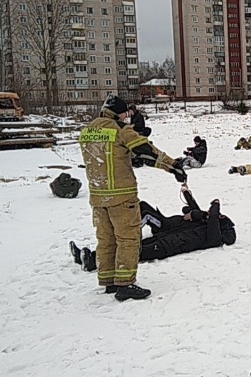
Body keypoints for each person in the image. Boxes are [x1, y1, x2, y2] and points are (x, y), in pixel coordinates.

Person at [79, 94, 187, 302]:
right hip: (121, 196)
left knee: (106, 240)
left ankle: (109, 280)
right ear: (119, 113)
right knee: (128, 239)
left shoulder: (87, 130)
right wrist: (174, 167)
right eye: (125, 113)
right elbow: (147, 153)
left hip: (98, 197)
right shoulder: (120, 130)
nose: (126, 117)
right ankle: (126, 284)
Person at [70, 185, 236, 271]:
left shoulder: (214, 238)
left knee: (132, 254)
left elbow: (213, 216)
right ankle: (88, 257)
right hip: (163, 239)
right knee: (130, 248)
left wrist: (215, 205)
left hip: (166, 247)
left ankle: (93, 262)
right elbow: (196, 208)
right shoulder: (202, 224)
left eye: (217, 217)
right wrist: (186, 192)